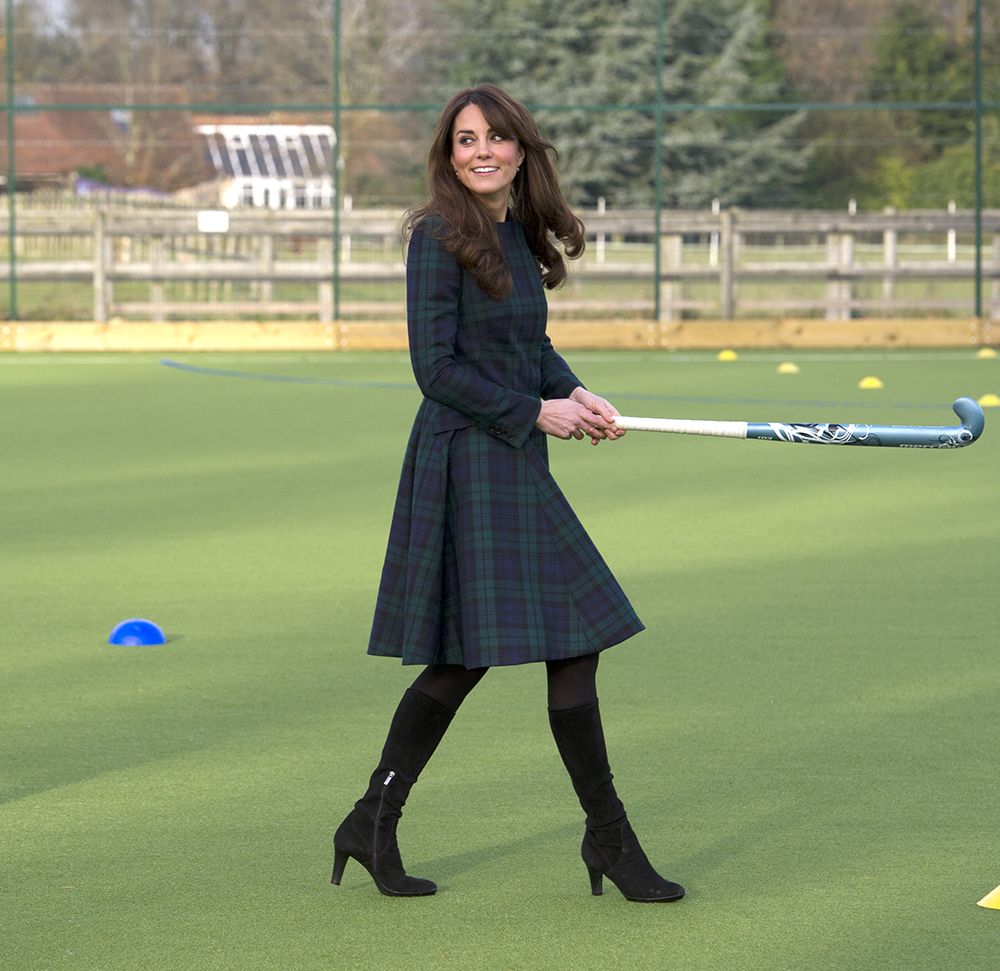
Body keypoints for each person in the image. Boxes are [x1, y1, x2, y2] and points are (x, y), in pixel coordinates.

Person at [331, 83, 684, 903]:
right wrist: (536, 411)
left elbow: (532, 343)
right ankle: (607, 840)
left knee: (488, 652)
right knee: (530, 643)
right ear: (448, 155)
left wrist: (577, 392)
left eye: (495, 137)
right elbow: (436, 370)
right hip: (466, 458)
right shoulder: (435, 238)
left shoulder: (516, 234)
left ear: (522, 150)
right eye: (464, 139)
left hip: (513, 454)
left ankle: (372, 820)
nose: (480, 150)